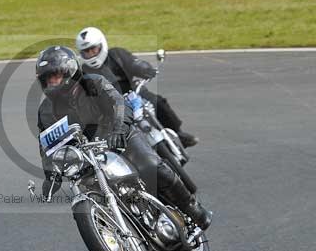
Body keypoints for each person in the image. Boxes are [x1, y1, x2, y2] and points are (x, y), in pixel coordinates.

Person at [35, 46, 211, 230]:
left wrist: (119, 130)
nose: (52, 82)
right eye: (47, 78)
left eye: (55, 75)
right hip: (88, 157)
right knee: (93, 199)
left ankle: (192, 208)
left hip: (120, 135)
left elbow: (119, 103)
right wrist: (50, 175)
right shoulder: (45, 111)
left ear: (69, 71)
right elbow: (47, 145)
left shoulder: (93, 83)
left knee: (152, 166)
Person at [75, 27, 199, 147]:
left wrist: (145, 69)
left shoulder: (117, 54)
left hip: (134, 92)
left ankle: (178, 133)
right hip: (112, 106)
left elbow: (135, 63)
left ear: (102, 44)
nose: (91, 54)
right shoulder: (85, 72)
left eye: (94, 49)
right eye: (87, 52)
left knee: (158, 102)